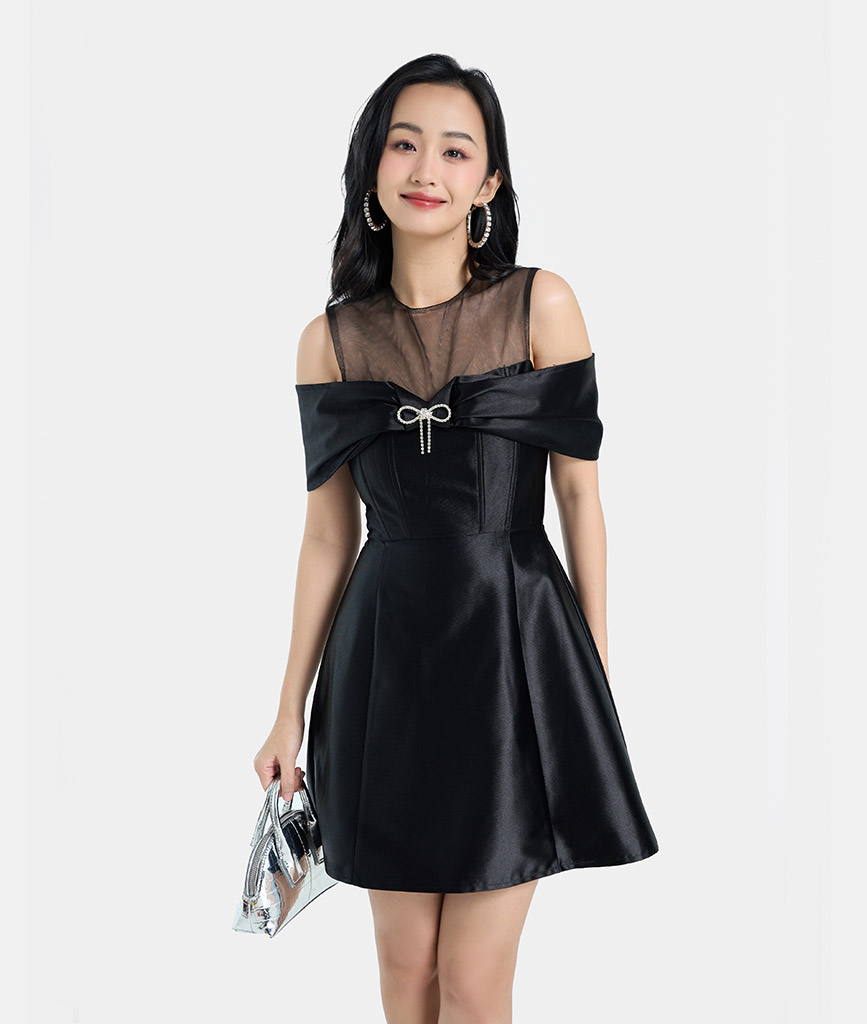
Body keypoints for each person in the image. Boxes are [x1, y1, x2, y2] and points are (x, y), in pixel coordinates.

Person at [254, 53, 658, 1024]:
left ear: (488, 183)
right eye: (404, 144)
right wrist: (286, 711)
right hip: (384, 664)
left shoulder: (542, 304)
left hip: (513, 650)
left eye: (454, 149)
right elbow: (326, 536)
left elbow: (580, 497)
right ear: (372, 168)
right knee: (405, 975)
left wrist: (592, 672)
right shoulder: (329, 341)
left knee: (473, 982)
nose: (426, 168)